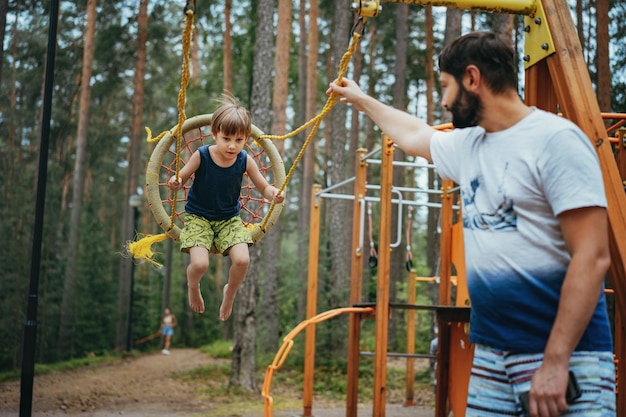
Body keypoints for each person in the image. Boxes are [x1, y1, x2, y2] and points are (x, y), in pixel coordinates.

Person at [328, 31, 615, 417]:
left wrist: (556, 360)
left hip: (563, 356)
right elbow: (415, 134)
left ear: (472, 79)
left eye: (446, 87)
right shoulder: (470, 146)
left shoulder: (556, 141)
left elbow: (593, 257)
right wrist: (361, 99)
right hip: (492, 355)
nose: (444, 102)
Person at [168, 93, 284, 321]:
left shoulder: (244, 160)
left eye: (239, 140)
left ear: (246, 139)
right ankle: (193, 285)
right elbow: (179, 179)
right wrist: (175, 182)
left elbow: (264, 187)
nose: (232, 146)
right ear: (214, 135)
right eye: (226, 138)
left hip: (229, 219)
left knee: (242, 260)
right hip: (198, 217)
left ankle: (230, 292)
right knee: (200, 264)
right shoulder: (202, 156)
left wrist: (275, 194)